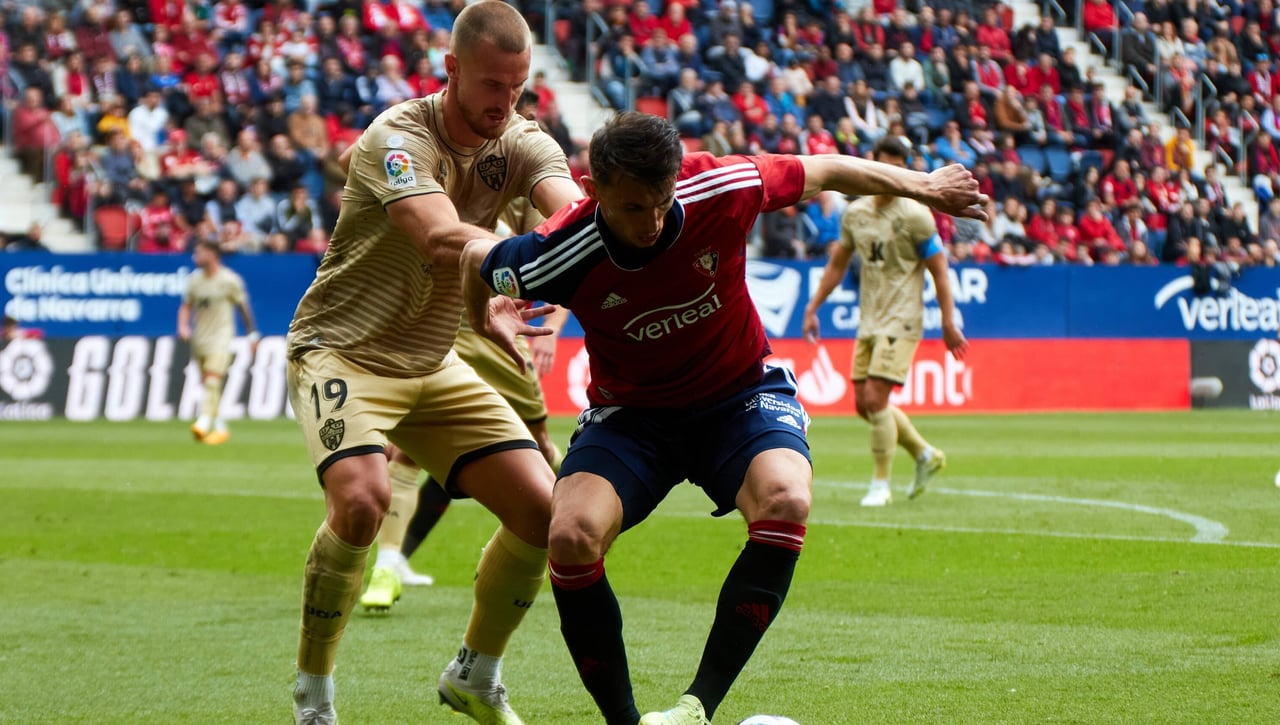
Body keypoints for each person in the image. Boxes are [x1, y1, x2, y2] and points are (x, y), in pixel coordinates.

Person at [460, 113, 985, 725]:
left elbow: (825, 169)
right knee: (571, 536)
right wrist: (481, 318)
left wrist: (924, 185)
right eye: (633, 208)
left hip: (739, 396)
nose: (652, 223)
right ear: (592, 189)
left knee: (786, 497)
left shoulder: (720, 186)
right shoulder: (554, 250)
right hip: (631, 416)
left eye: (661, 203)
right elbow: (475, 256)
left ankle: (695, 708)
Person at [282, 3, 583, 724]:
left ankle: (474, 675)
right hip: (342, 351)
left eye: (517, 87)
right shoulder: (397, 137)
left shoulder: (521, 139)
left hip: (431, 360)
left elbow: (571, 214)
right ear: (450, 69)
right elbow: (441, 236)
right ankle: (314, 694)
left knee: (543, 510)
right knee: (362, 501)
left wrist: (591, 239)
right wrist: (510, 272)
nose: (504, 103)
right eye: (491, 85)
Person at [802, 136, 971, 508]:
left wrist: (948, 320)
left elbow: (940, 272)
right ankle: (924, 453)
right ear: (874, 162)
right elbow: (837, 264)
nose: (892, 171)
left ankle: (881, 485)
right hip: (870, 319)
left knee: (876, 399)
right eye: (886, 163)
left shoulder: (916, 215)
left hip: (903, 318)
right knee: (864, 405)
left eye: (899, 165)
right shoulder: (856, 213)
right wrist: (813, 307)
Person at [177, 240, 259, 445]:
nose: (195, 256)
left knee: (212, 379)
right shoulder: (194, 280)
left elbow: (243, 307)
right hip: (200, 338)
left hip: (221, 337)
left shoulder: (229, 280)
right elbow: (186, 306)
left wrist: (252, 335)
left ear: (212, 254)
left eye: (199, 252)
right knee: (208, 384)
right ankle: (220, 427)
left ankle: (203, 421)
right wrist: (183, 326)